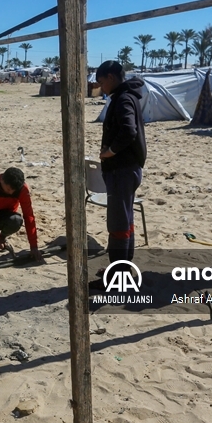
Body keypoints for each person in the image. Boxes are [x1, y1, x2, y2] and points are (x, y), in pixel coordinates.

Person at [96, 60, 147, 272]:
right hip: (128, 168)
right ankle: (124, 268)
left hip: (122, 170)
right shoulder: (127, 96)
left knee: (118, 223)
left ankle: (118, 275)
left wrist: (110, 152)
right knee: (125, 220)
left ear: (111, 77)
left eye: (102, 82)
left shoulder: (123, 99)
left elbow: (129, 130)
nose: (101, 88)